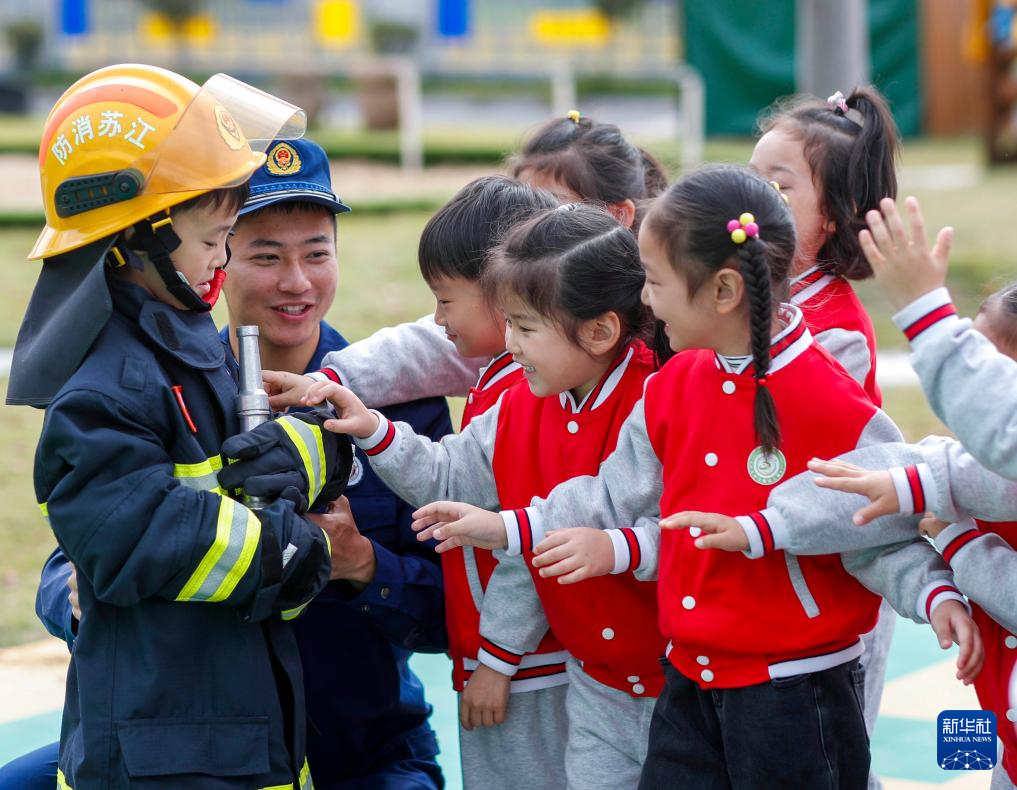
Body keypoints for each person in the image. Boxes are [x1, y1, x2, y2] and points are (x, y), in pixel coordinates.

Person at [409, 165, 977, 789]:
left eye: (655, 281)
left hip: (796, 686)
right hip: (689, 677)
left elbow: (883, 524)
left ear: (724, 291)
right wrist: (510, 528)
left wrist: (933, 593)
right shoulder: (674, 385)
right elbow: (609, 496)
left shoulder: (828, 399)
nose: (644, 300)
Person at [4, 65, 351, 789]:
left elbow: (238, 465)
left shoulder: (182, 340)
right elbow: (132, 537)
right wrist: (287, 550)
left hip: (234, 731)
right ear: (138, 235)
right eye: (212, 240)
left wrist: (311, 452)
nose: (222, 260)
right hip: (161, 753)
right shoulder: (104, 383)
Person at [302, 203, 664, 789]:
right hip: (592, 675)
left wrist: (498, 648)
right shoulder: (523, 398)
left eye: (523, 327)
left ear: (599, 331)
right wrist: (370, 426)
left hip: (667, 677)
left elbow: (660, 529)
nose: (510, 344)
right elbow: (452, 474)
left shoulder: (659, 398)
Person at [749, 85, 902, 785]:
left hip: (835, 581)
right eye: (748, 178)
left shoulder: (830, 327)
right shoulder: (748, 298)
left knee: (836, 757)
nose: (750, 201)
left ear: (834, 221)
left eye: (776, 189)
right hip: (771, 569)